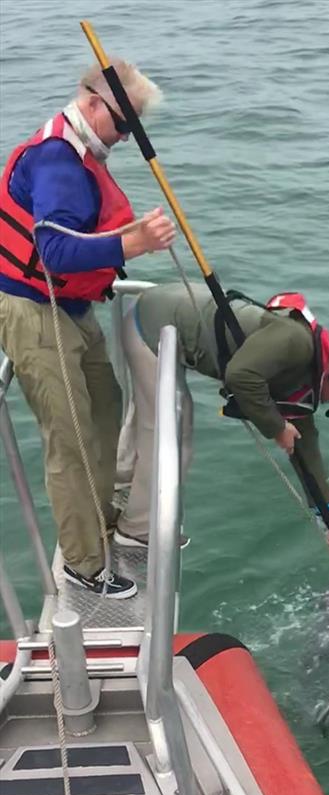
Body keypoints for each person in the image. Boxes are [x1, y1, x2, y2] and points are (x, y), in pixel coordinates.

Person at [0, 60, 176, 599]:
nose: (125, 137)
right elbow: (53, 251)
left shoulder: (84, 149)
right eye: (123, 123)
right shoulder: (58, 159)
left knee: (105, 403)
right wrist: (134, 244)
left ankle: (99, 515)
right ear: (93, 102)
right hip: (34, 310)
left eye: (134, 128)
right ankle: (83, 564)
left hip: (74, 308)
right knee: (71, 437)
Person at [115, 283, 329, 557]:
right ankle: (135, 529)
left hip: (160, 311)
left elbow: (305, 448)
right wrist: (277, 427)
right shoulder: (297, 344)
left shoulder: (304, 375)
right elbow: (240, 376)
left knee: (151, 421)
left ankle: (121, 485)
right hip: (152, 324)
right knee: (171, 436)